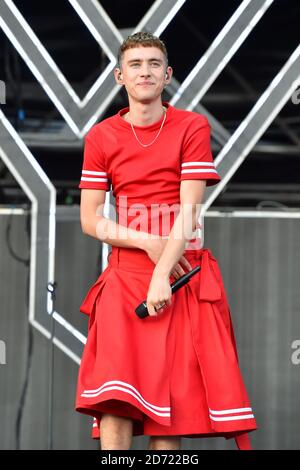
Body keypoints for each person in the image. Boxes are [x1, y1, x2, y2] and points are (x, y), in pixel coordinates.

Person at [75, 31, 257, 450]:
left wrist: (161, 268)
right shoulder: (101, 137)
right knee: (115, 400)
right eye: (135, 65)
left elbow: (190, 210)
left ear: (168, 74)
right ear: (120, 76)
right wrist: (147, 245)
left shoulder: (192, 125)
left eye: (154, 64)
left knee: (168, 415)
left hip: (180, 273)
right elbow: (90, 220)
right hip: (124, 278)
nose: (145, 71)